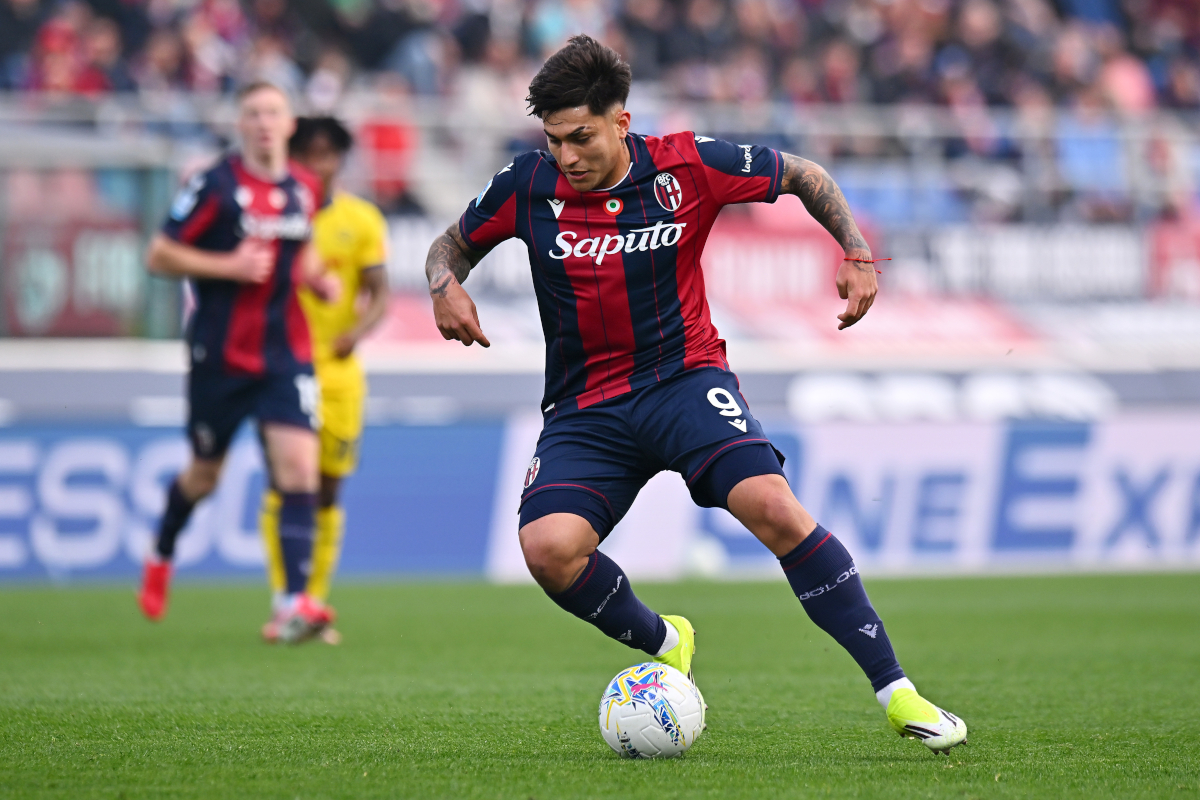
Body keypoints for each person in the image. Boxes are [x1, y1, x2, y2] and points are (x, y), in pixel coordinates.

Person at [424, 35, 967, 753]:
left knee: (775, 510)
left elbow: (803, 174)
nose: (567, 157)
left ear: (621, 121)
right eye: (554, 141)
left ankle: (900, 694)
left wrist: (857, 253)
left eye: (581, 137)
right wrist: (443, 287)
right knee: (549, 550)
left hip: (685, 381)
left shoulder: (688, 165)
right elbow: (449, 244)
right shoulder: (526, 185)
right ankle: (664, 639)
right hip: (587, 409)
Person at [138, 81, 340, 644]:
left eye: (273, 112)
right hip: (221, 356)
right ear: (240, 124)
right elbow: (159, 253)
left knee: (299, 468)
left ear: (290, 122)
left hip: (286, 354)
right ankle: (161, 550)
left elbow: (302, 254)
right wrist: (227, 265)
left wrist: (316, 277)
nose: (264, 123)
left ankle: (292, 603)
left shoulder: (305, 187)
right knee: (204, 475)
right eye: (252, 113)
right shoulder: (214, 184)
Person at [258, 116, 390, 643]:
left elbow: (378, 294)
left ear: (339, 160)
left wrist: (356, 332)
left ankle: (312, 600)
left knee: (329, 491)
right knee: (289, 485)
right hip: (281, 369)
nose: (318, 165)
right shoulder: (270, 216)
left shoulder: (361, 220)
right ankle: (286, 602)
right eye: (307, 154)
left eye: (327, 154)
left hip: (337, 375)